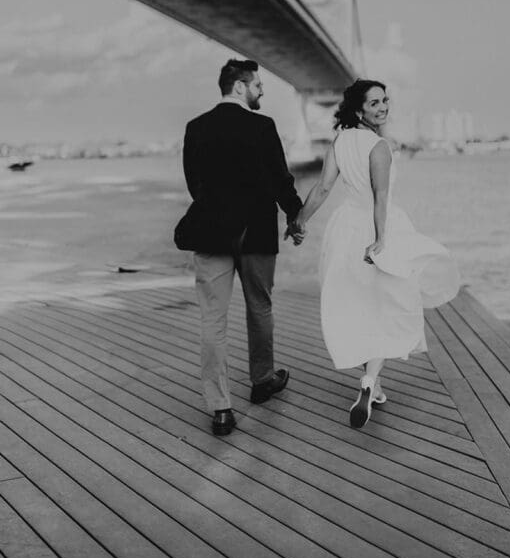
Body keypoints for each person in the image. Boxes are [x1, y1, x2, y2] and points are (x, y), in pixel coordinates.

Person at [292, 79, 459, 428]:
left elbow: (322, 188)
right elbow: (381, 197)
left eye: (385, 100)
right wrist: (381, 241)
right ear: (359, 110)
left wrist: (299, 222)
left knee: (356, 305)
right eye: (374, 103)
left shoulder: (340, 141)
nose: (383, 107)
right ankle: (369, 382)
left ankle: (375, 385)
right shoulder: (378, 146)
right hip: (377, 229)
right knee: (387, 307)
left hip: (344, 229)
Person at [175, 58, 304, 436]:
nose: (262, 90)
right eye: (258, 85)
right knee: (259, 307)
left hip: (210, 233)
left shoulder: (196, 128)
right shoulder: (263, 126)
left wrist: (218, 210)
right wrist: (295, 217)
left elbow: (193, 184)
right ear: (239, 87)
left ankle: (220, 408)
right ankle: (263, 380)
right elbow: (281, 180)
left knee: (212, 320)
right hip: (257, 233)